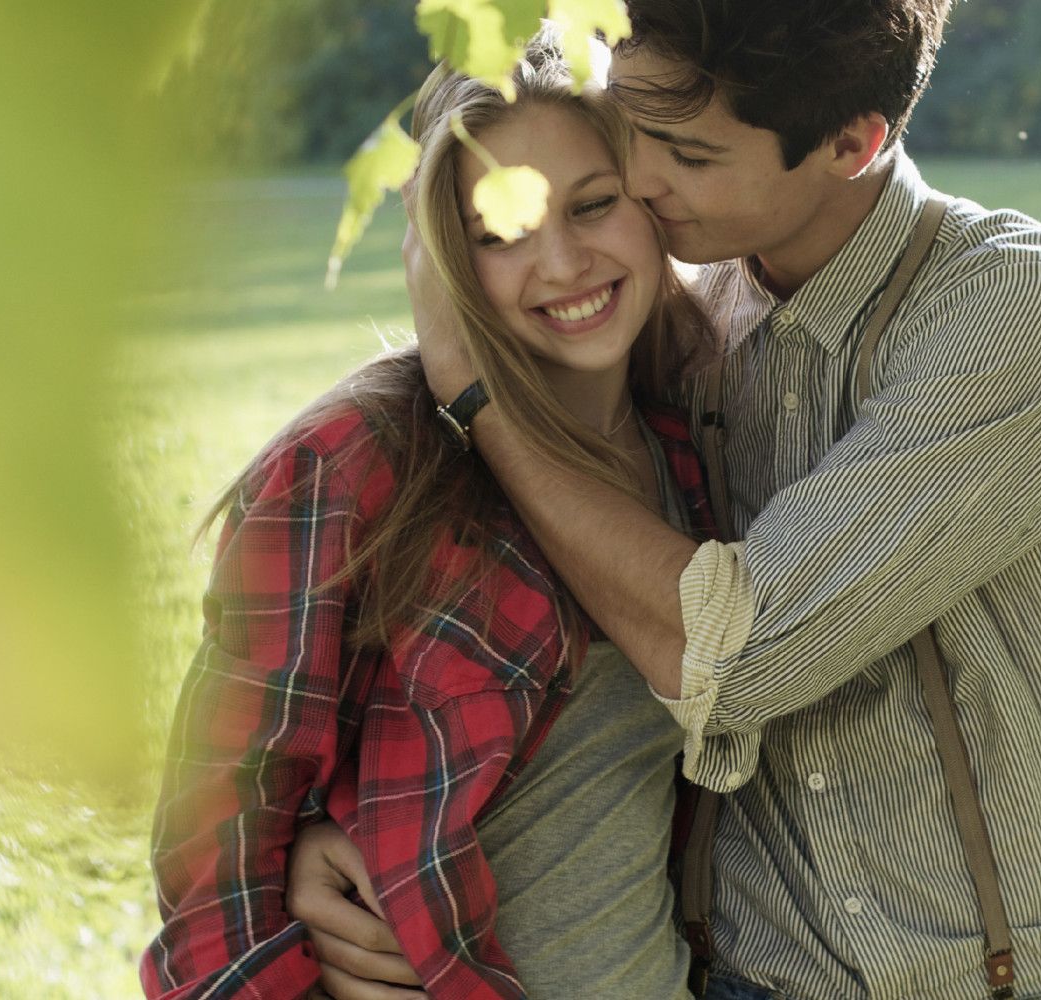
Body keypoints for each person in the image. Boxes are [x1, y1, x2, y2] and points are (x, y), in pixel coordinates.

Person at [290, 2, 1041, 999]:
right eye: (634, 130)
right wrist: (335, 831)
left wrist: (475, 397)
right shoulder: (684, 325)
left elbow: (731, 660)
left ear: (852, 143)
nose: (642, 178)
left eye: (690, 155)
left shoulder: (1022, 312)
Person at [138, 38, 723, 1000]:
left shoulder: (696, 432)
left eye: (593, 205)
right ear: (443, 253)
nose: (563, 262)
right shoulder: (353, 463)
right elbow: (216, 855)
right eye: (500, 233)